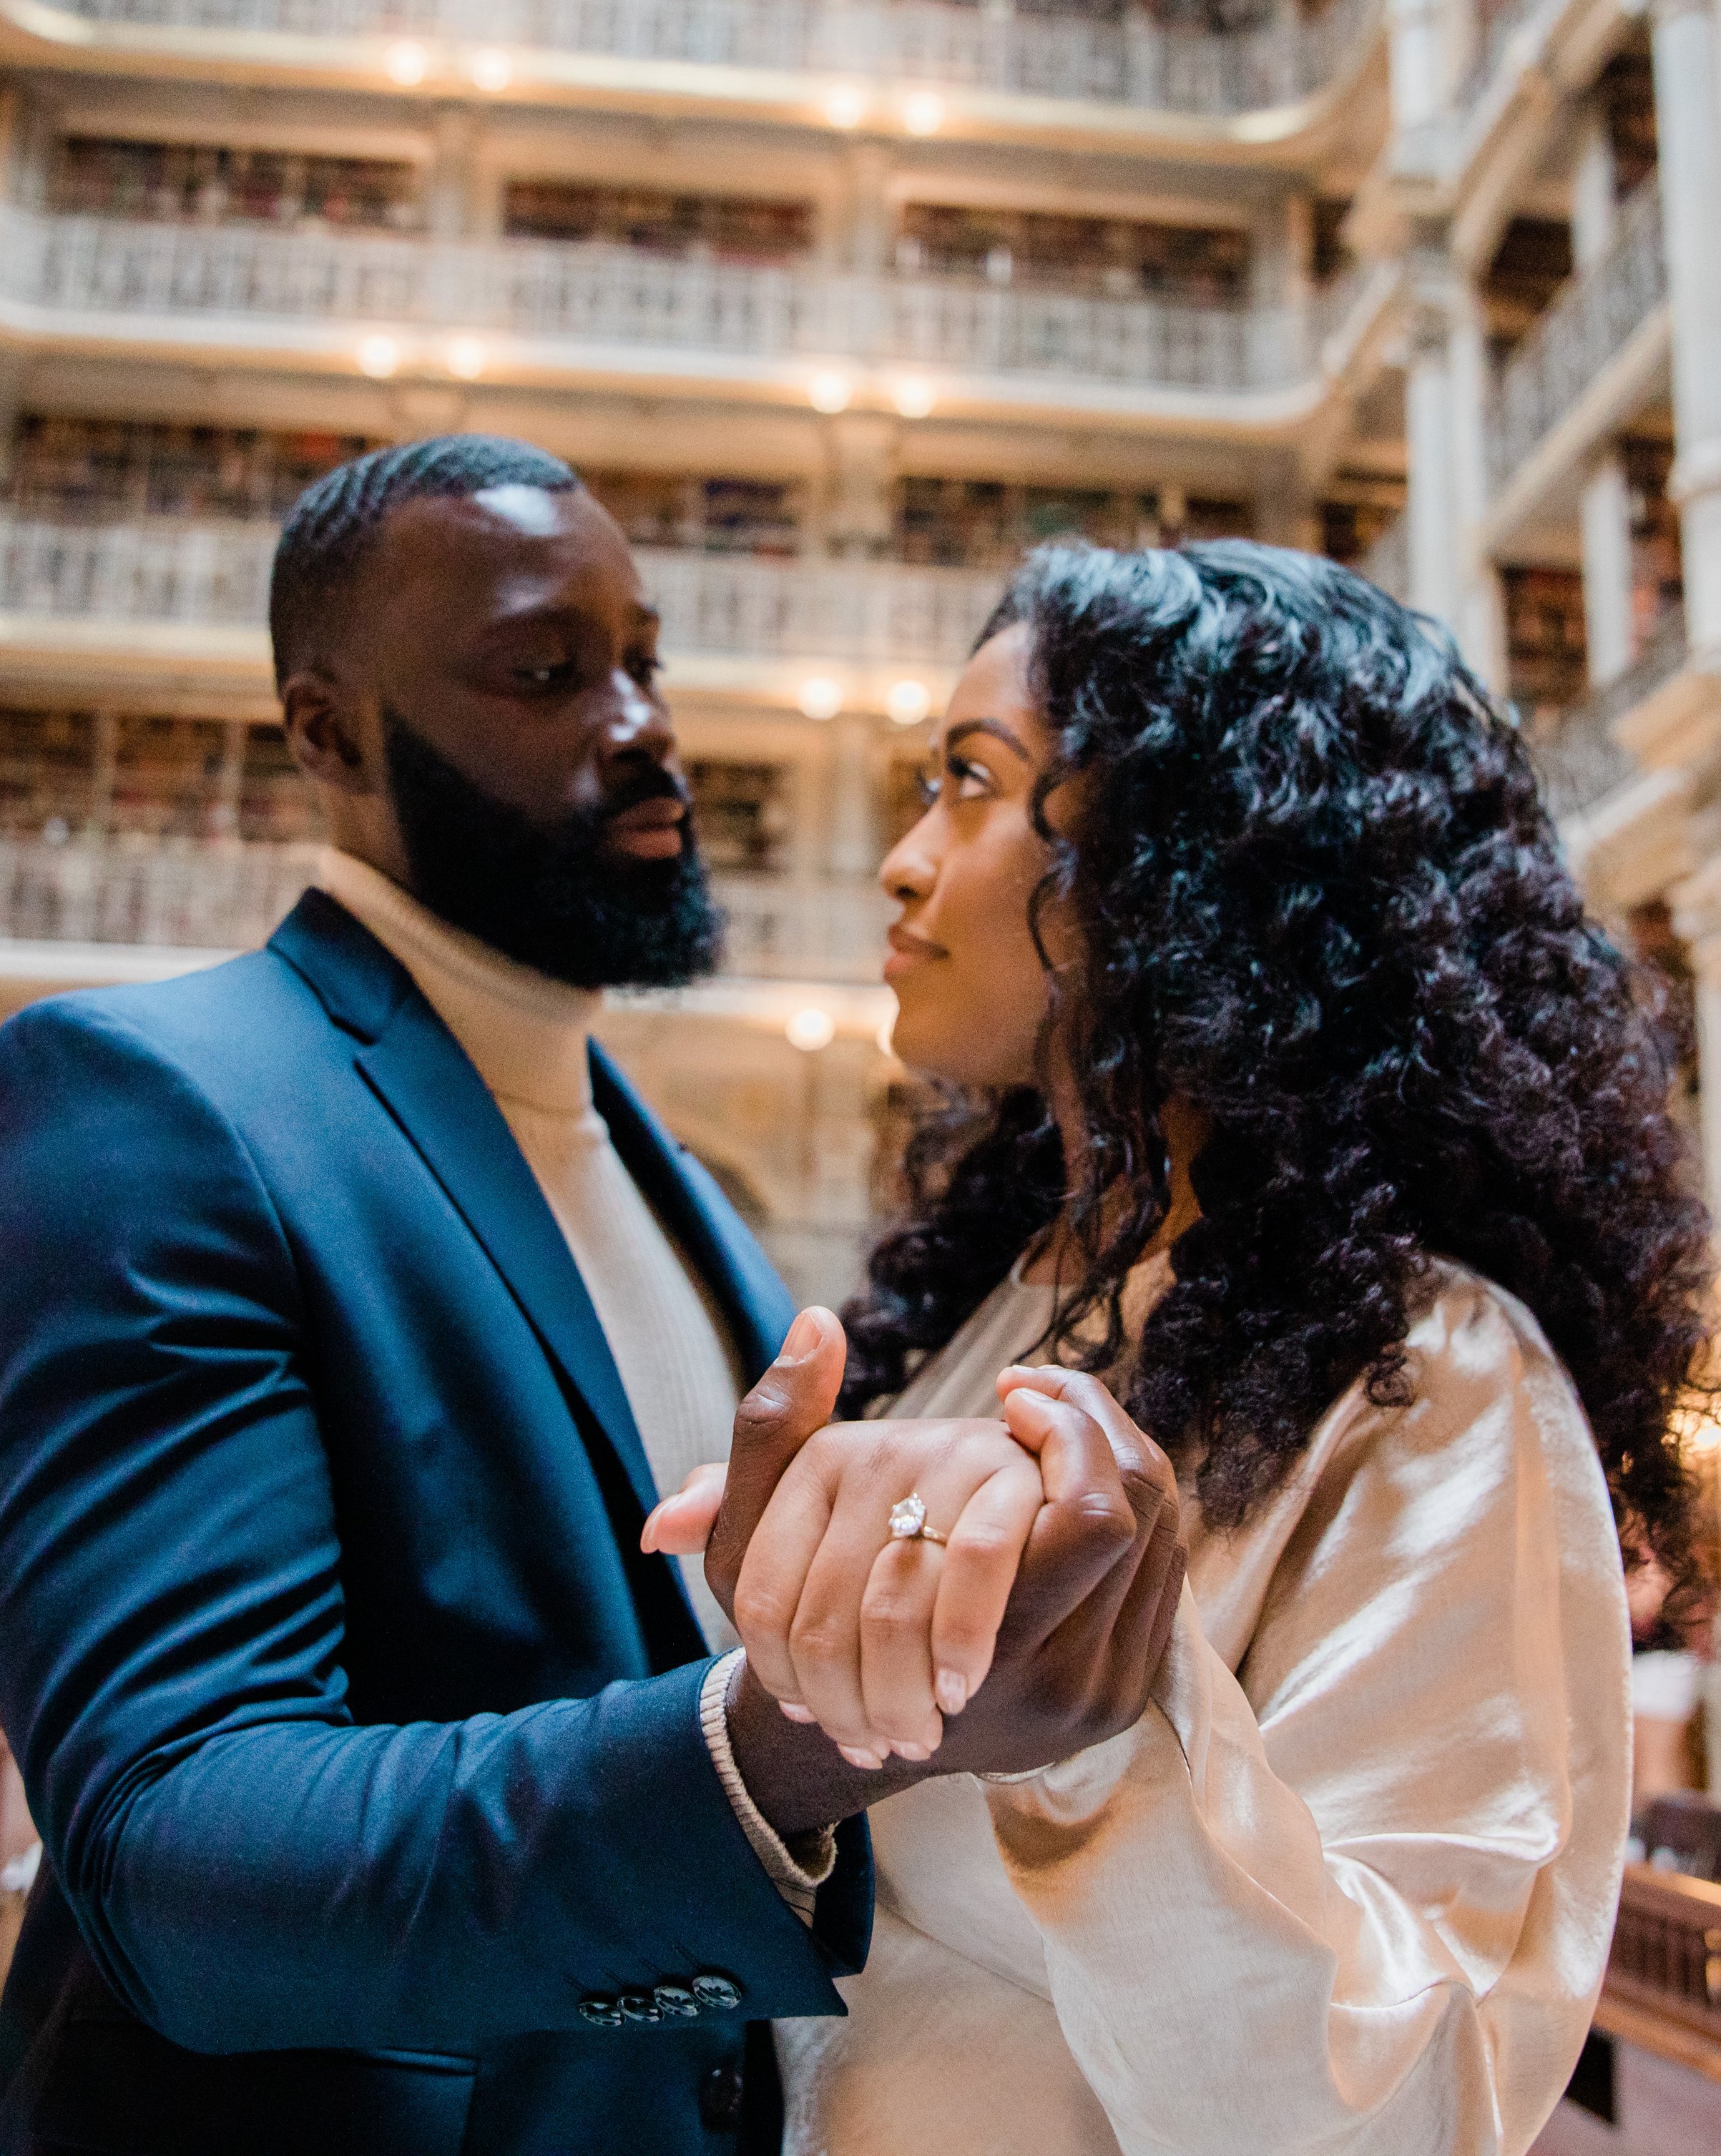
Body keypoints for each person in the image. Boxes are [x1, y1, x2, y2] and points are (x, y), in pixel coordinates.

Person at [0, 441, 1185, 2156]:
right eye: (546, 671)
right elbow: (180, 1857)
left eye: (643, 661)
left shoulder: (677, 1195)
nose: (641, 725)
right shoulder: (145, 1102)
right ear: (328, 735)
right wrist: (793, 1753)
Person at [649, 541, 1714, 2154]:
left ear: (1181, 858)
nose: (899, 859)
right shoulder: (1005, 1304)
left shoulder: (1430, 1375)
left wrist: (1095, 1741)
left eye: (967, 780)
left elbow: (1410, 2104)